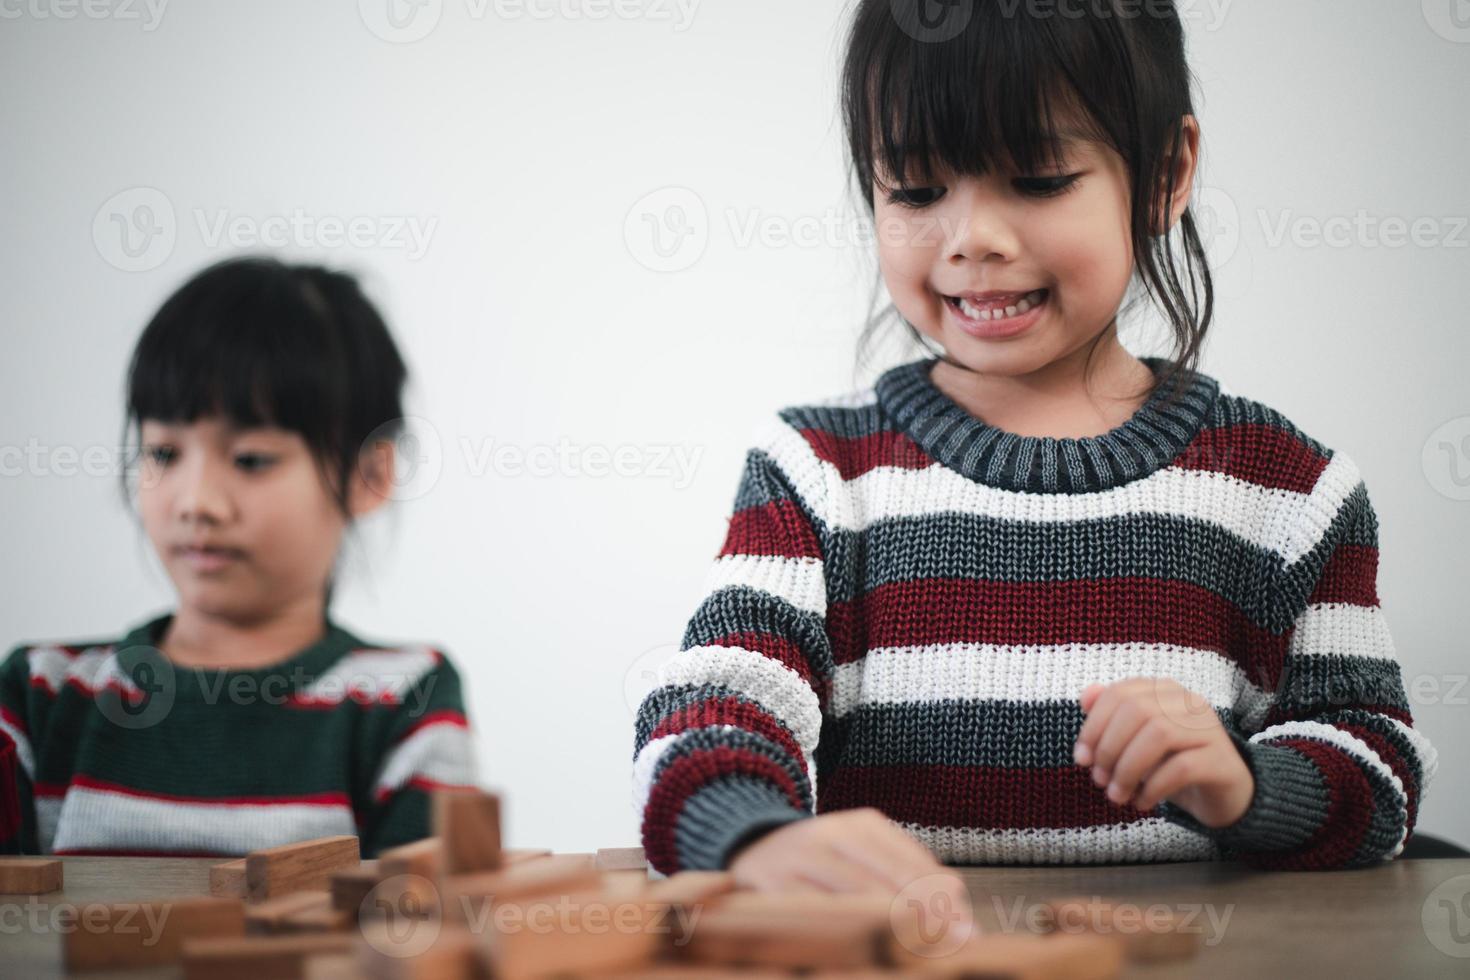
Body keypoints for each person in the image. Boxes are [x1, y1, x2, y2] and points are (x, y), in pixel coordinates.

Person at [633, 0, 1436, 896]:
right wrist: (748, 838)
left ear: (1166, 172)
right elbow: (715, 707)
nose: (974, 238)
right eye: (915, 189)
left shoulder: (1289, 492)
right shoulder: (816, 469)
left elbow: (1378, 767)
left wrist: (1248, 786)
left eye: (1039, 178)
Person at [0, 257, 477, 857]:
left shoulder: (404, 700)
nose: (197, 503)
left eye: (251, 459)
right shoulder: (42, 693)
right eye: (164, 454)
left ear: (370, 475)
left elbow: (415, 937)